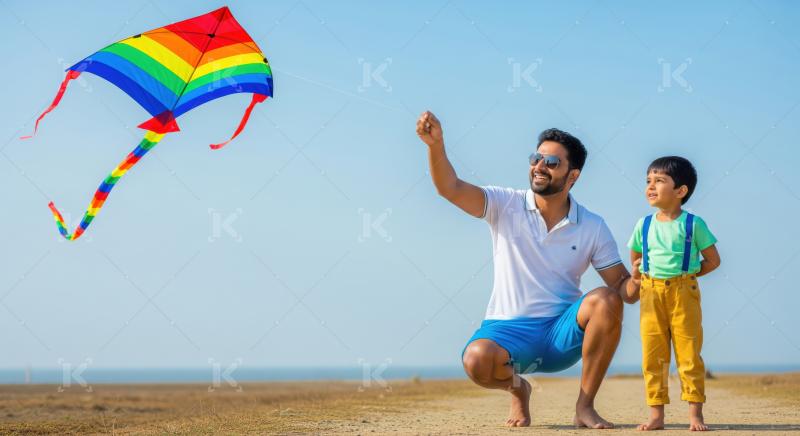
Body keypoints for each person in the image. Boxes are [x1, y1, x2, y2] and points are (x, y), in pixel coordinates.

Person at [415, 111, 639, 428]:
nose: (540, 167)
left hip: (561, 333)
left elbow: (623, 290)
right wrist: (435, 146)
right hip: (508, 331)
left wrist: (641, 278)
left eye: (552, 162)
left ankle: (584, 408)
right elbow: (449, 188)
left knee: (605, 299)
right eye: (537, 158)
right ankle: (518, 389)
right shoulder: (504, 203)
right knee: (476, 360)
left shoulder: (592, 226)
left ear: (572, 176)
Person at [626, 156, 721, 431]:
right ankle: (656, 416)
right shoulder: (643, 224)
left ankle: (695, 415)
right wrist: (636, 274)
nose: (651, 186)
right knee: (652, 356)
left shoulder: (693, 224)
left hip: (684, 293)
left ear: (681, 191)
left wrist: (689, 275)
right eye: (648, 181)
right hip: (650, 293)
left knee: (689, 354)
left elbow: (713, 260)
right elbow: (635, 256)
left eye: (659, 181)